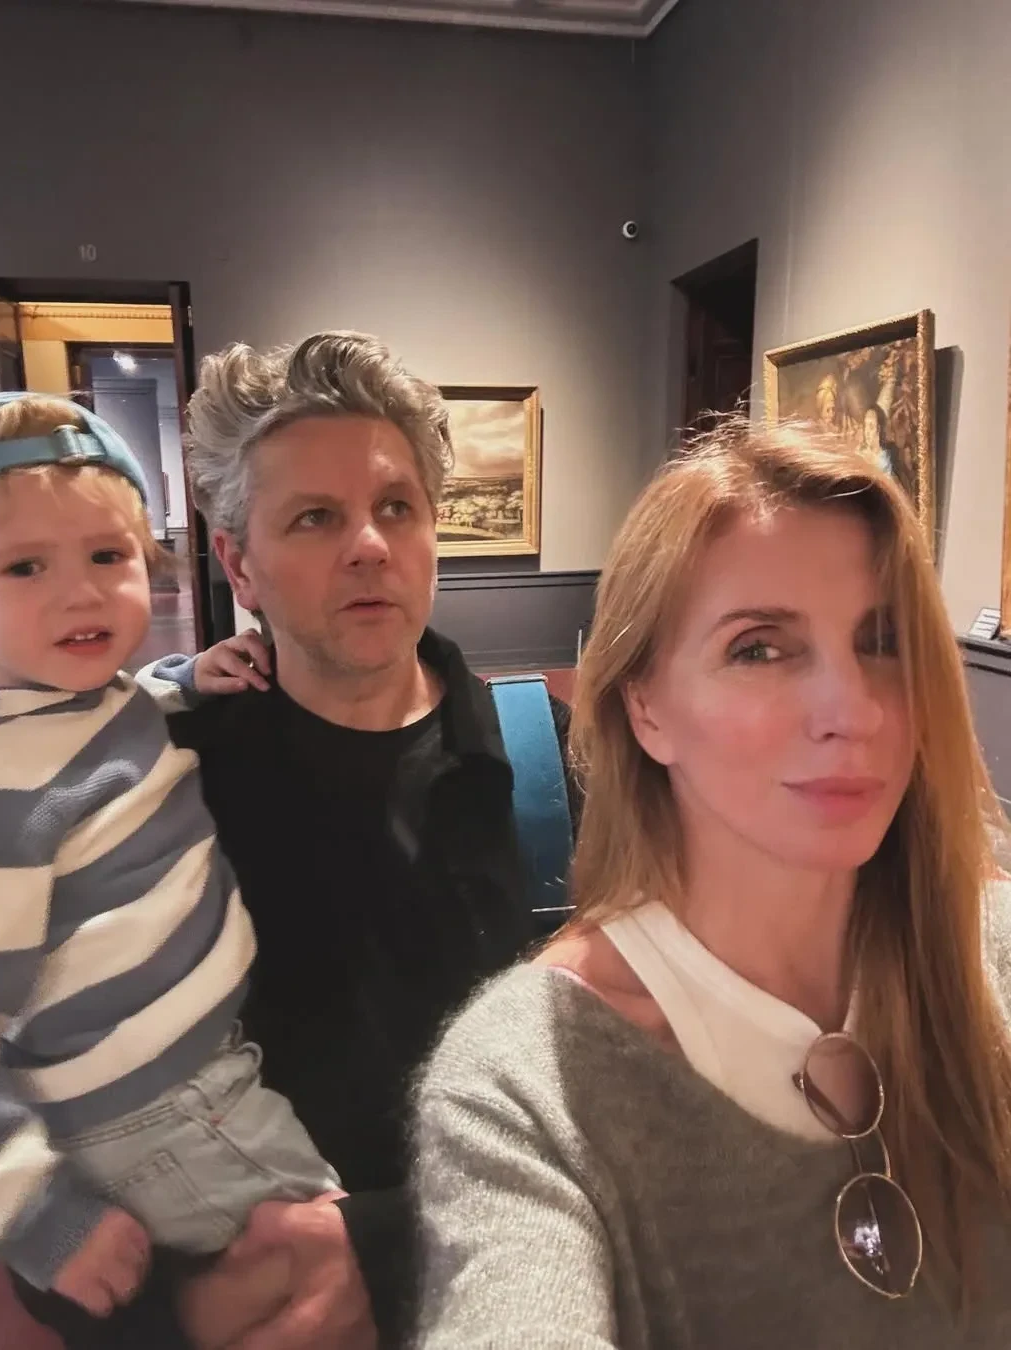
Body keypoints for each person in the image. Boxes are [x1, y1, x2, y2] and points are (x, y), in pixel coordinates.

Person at [11, 333, 576, 1350]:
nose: (368, 545)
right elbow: (56, 1146)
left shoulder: (556, 767)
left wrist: (377, 1250)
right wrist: (173, 1307)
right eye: (315, 517)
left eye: (396, 507)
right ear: (240, 563)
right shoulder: (146, 800)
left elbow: (627, 1110)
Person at [413, 417, 1011, 1349]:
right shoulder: (526, 1088)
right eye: (760, 648)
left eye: (882, 639)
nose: (853, 710)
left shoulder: (992, 954)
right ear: (646, 706)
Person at [0, 393, 338, 1328]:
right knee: (331, 1268)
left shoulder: (75, 700)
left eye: (108, 557)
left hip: (188, 1082)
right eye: (26, 566)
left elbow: (120, 704)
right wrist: (37, 1220)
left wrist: (185, 678)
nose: (80, 593)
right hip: (154, 1115)